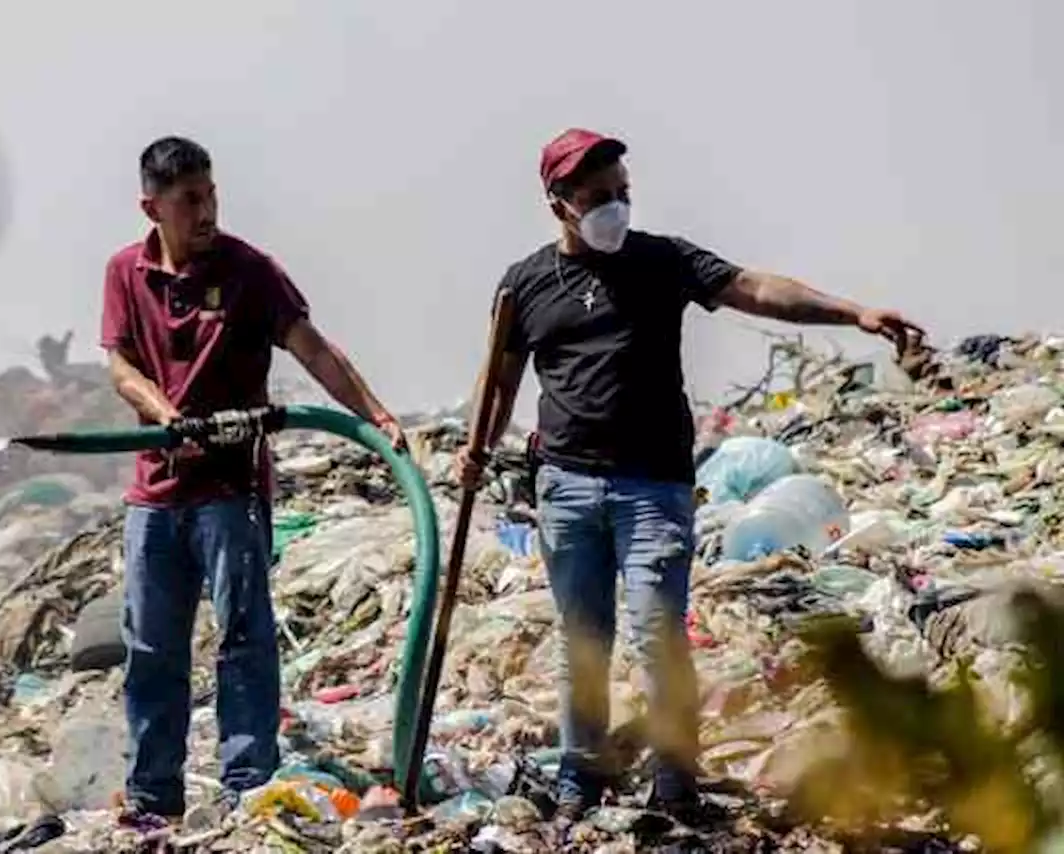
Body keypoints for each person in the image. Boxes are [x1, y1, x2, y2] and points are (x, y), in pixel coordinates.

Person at [455, 128, 926, 821]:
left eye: (622, 193)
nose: (615, 207)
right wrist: (477, 450)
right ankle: (578, 778)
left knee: (657, 632)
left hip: (654, 485)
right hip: (565, 484)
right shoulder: (524, 284)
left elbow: (755, 289)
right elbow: (499, 383)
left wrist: (851, 312)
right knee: (582, 641)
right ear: (559, 204)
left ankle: (675, 779)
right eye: (597, 198)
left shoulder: (663, 260)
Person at [100, 135, 406, 826]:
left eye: (210, 195)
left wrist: (377, 416)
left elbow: (314, 349)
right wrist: (164, 413)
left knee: (244, 637)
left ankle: (248, 786)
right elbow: (120, 365)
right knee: (151, 646)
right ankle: (154, 795)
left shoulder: (249, 271)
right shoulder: (125, 272)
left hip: (229, 491)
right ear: (152, 207)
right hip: (154, 494)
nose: (205, 211)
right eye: (188, 202)